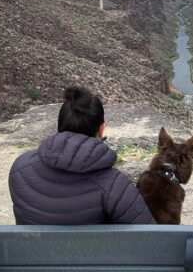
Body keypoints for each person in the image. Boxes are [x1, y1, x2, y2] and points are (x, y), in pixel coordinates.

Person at [8, 86, 156, 224]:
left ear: (58, 126)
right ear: (101, 129)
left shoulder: (20, 168)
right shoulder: (115, 185)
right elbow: (150, 238)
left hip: (32, 252)